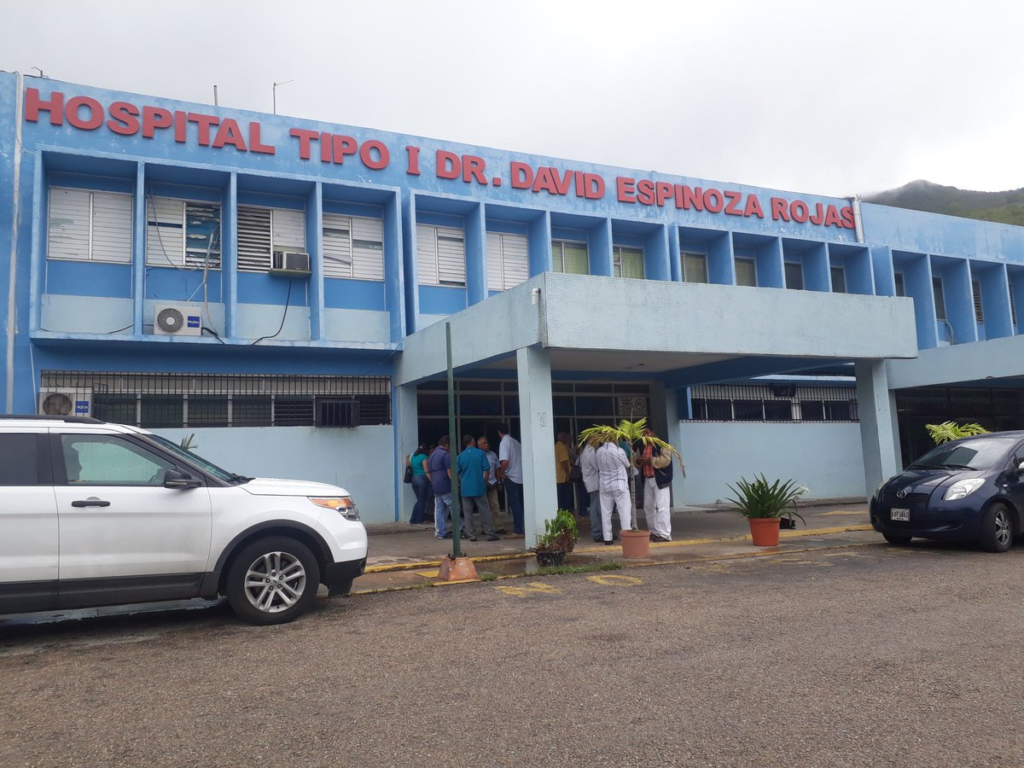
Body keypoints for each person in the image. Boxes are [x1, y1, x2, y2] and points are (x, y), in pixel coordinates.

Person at [457, 434, 500, 541]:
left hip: (465, 488)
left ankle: (471, 534)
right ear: (472, 441)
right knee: (485, 510)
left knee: (468, 513)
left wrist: (461, 483)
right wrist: (485, 482)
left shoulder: (461, 456)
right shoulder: (480, 453)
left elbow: (457, 472)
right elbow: (486, 469)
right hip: (479, 486)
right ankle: (490, 533)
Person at [637, 428, 673, 541]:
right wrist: (638, 460)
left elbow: (666, 460)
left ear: (653, 432)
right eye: (643, 434)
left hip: (660, 479)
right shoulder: (642, 446)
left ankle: (665, 534)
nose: (645, 436)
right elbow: (635, 460)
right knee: (648, 507)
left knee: (662, 507)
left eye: (647, 433)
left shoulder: (662, 445)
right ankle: (654, 531)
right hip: (648, 478)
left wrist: (650, 461)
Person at [597, 437, 632, 545]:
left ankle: (608, 538)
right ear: (614, 439)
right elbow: (628, 464)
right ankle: (627, 536)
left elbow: (598, 466)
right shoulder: (619, 451)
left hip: (604, 485)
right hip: (619, 484)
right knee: (624, 511)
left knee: (606, 512)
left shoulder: (598, 451)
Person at [497, 424, 525, 538]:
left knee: (515, 504)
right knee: (521, 504)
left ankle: (518, 530)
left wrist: (501, 472)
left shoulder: (504, 442)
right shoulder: (516, 442)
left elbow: (505, 462)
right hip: (521, 476)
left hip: (511, 477)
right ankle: (523, 527)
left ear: (499, 432)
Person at [478, 435, 507, 534]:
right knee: (483, 507)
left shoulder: (493, 454)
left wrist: (499, 482)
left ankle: (499, 526)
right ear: (479, 446)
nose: (487, 445)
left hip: (492, 483)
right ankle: (485, 527)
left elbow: (497, 469)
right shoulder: (477, 455)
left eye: (487, 442)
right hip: (481, 484)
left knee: (495, 505)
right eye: (484, 443)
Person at [427, 435, 454, 540]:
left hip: (436, 486)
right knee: (454, 507)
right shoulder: (445, 454)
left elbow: (429, 471)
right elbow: (449, 471)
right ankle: (459, 529)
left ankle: (441, 532)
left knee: (439, 509)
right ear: (446, 445)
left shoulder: (432, 455)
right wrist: (455, 484)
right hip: (445, 485)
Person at [579, 438, 602, 542]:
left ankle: (599, 531)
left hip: (591, 482)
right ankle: (597, 532)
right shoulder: (591, 451)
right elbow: (598, 467)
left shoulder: (586, 450)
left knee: (595, 508)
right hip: (594, 484)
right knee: (595, 509)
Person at [408, 442, 432, 525]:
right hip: (422, 479)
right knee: (422, 500)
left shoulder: (413, 456)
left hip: (414, 479)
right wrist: (431, 480)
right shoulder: (424, 457)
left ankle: (413, 519)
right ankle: (419, 520)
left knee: (419, 500)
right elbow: (426, 470)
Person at [555, 431, 573, 511]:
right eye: (567, 437)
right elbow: (564, 462)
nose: (569, 439)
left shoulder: (556, 446)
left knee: (560, 499)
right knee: (564, 500)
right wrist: (568, 474)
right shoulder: (562, 448)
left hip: (557, 477)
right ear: (563, 438)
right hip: (563, 478)